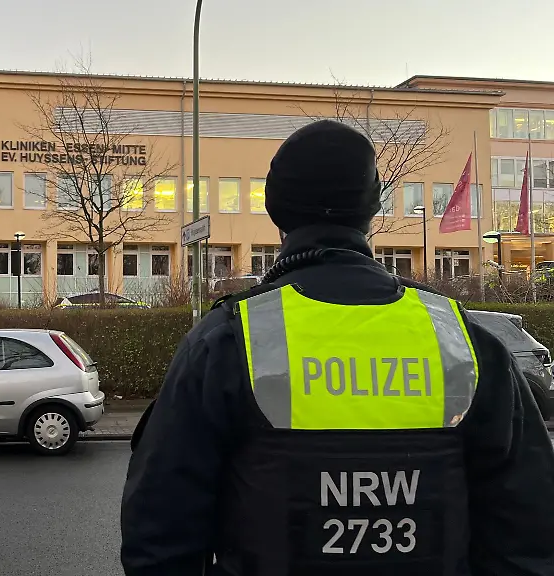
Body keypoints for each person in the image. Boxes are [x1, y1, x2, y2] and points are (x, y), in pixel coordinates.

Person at [120, 119, 554, 576]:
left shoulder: (229, 340)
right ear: (375, 203)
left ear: (273, 208)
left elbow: (160, 534)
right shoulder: (460, 340)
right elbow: (528, 528)